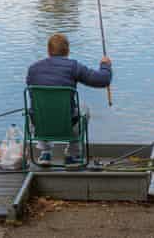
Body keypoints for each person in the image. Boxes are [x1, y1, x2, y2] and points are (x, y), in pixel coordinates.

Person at [26, 33, 112, 166]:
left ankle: (45, 153)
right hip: (68, 126)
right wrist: (105, 65)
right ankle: (72, 155)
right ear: (67, 51)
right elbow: (103, 80)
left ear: (48, 50)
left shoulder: (33, 69)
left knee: (38, 108)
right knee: (84, 108)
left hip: (39, 127)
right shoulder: (73, 67)